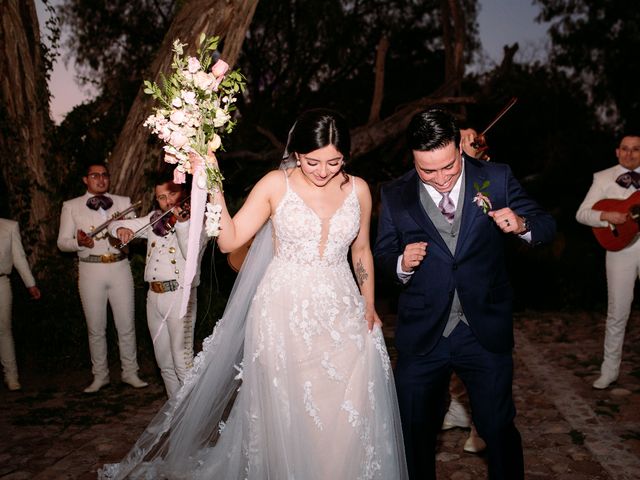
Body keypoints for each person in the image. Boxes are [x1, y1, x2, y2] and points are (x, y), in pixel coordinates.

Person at [99, 109, 407, 479]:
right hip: (284, 309)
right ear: (296, 153)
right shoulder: (276, 184)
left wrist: (369, 303)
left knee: (348, 401)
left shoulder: (358, 189)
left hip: (342, 307)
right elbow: (230, 240)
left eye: (334, 161)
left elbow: (361, 251)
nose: (324, 171)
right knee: (292, 407)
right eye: (313, 162)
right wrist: (215, 187)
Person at [374, 108, 556, 480]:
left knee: (498, 428)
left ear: (460, 147)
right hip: (424, 335)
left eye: (448, 167)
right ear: (413, 158)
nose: (440, 179)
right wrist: (401, 264)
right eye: (428, 170)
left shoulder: (497, 177)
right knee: (415, 433)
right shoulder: (395, 194)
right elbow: (380, 254)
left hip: (483, 331)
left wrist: (521, 225)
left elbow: (546, 226)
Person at [110, 174, 205, 398]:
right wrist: (120, 231)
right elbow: (115, 224)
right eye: (161, 197)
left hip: (180, 296)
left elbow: (188, 253)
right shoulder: (155, 221)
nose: (168, 201)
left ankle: (190, 418)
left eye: (171, 194)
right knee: (165, 365)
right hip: (153, 298)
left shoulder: (198, 221)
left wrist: (182, 224)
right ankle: (175, 413)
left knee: (183, 363)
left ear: (183, 192)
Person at [57, 163, 147, 393]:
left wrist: (127, 236)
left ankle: (130, 372)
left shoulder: (124, 202)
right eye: (95, 175)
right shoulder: (71, 206)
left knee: (126, 324)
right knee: (96, 328)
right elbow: (62, 243)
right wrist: (79, 242)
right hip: (90, 270)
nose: (100, 179)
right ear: (85, 180)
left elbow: (137, 236)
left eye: (104, 175)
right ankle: (100, 376)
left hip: (119, 267)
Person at [576, 133, 640, 389]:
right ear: (617, 152)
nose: (630, 153)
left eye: (636, 149)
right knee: (617, 312)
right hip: (618, 250)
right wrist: (606, 215)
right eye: (625, 149)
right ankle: (609, 371)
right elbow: (582, 213)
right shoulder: (602, 178)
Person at [0, 218, 41, 391]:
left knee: (4, 329)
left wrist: (30, 284)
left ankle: (11, 376)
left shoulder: (8, 226)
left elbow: (19, 257)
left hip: (1, 283)